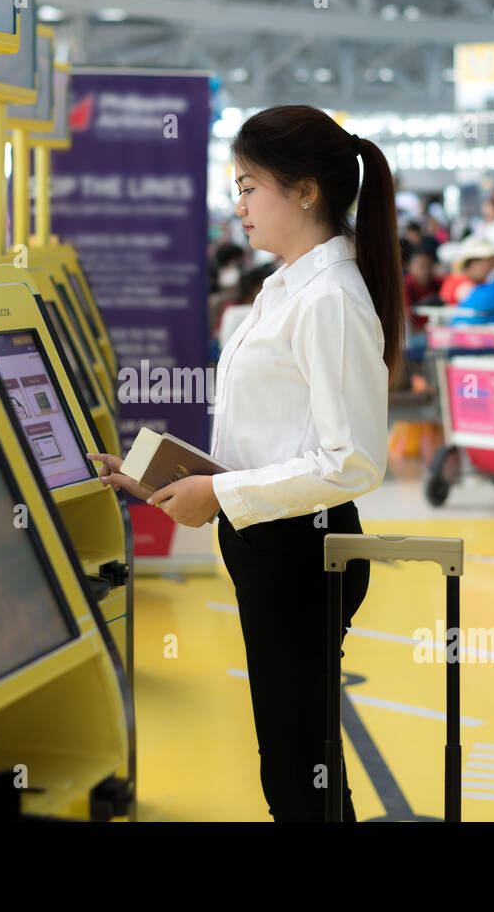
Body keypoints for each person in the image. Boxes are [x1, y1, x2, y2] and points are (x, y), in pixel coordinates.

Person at [89, 105, 401, 822]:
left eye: (249, 186)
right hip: (271, 547)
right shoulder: (285, 287)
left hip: (302, 552)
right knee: (295, 760)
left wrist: (223, 493)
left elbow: (352, 461)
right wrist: (171, 481)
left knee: (299, 769)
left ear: (305, 192)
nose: (239, 206)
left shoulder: (328, 300)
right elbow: (272, 437)